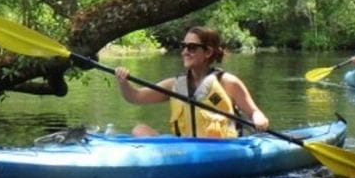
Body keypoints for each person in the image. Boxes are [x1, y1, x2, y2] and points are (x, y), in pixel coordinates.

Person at [114, 26, 270, 138]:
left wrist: (258, 118)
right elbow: (135, 97)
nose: (185, 52)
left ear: (208, 52)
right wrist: (123, 82)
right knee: (139, 130)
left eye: (192, 47)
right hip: (184, 148)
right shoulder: (174, 85)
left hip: (223, 148)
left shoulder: (228, 82)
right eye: (184, 47)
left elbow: (254, 112)